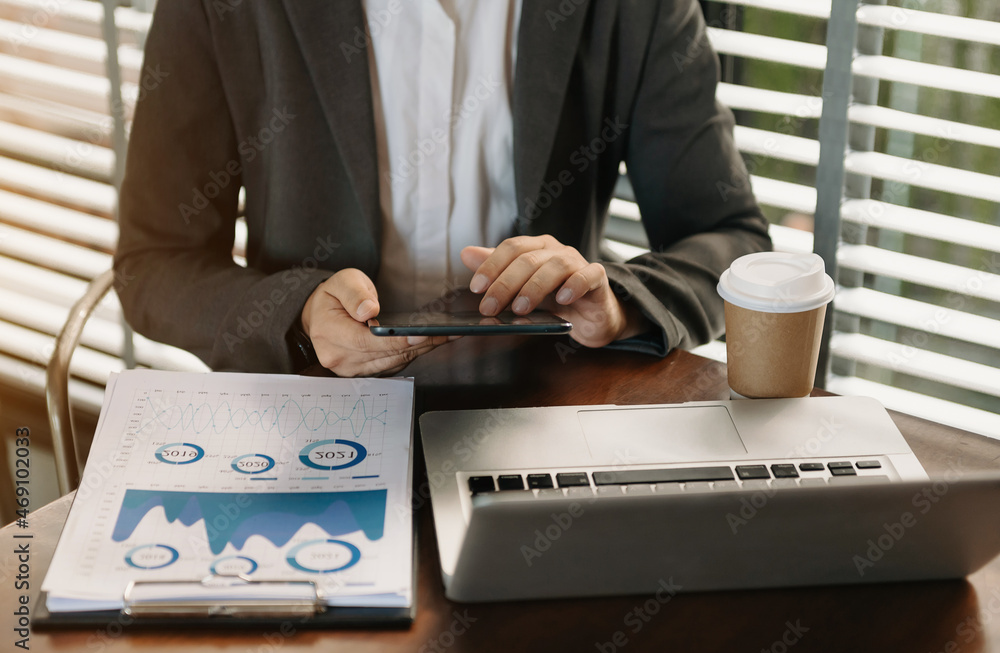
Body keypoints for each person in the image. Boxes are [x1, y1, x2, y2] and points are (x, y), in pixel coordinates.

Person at [114, 0, 771, 377]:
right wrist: (298, 315)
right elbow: (154, 265)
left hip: (543, 425)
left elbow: (734, 243)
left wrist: (618, 303)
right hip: (302, 422)